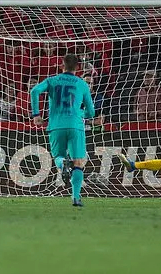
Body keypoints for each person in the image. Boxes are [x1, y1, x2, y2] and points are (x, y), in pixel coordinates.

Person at [31, 54, 96, 207]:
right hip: (75, 125)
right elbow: (92, 113)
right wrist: (81, 113)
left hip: (56, 125)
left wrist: (36, 115)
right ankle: (76, 197)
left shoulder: (52, 80)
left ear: (62, 66)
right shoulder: (82, 84)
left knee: (59, 156)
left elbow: (34, 91)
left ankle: (63, 164)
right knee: (78, 162)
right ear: (78, 68)